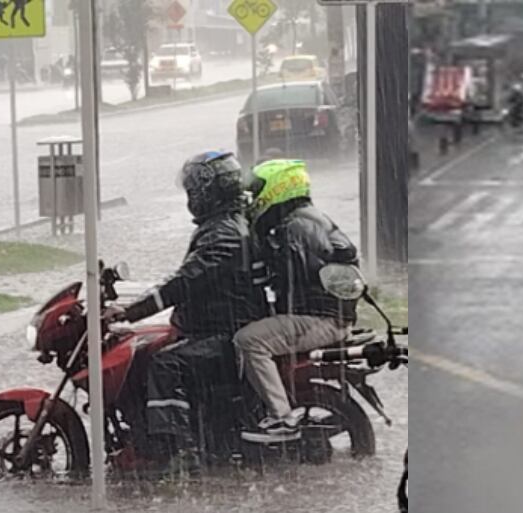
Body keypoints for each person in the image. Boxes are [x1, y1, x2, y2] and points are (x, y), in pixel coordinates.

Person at [102, 151, 267, 466]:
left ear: (209, 192)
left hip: (223, 332)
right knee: (145, 349)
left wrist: (130, 311)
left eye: (193, 191)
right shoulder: (223, 225)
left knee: (165, 364)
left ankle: (179, 451)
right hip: (212, 326)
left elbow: (185, 281)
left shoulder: (224, 234)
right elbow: (186, 278)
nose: (191, 198)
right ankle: (144, 438)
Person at [234, 159, 359, 442]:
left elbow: (288, 275)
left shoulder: (293, 227)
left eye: (258, 190)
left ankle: (282, 418)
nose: (253, 198)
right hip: (330, 314)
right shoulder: (309, 219)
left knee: (248, 340)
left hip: (319, 318)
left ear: (276, 188)